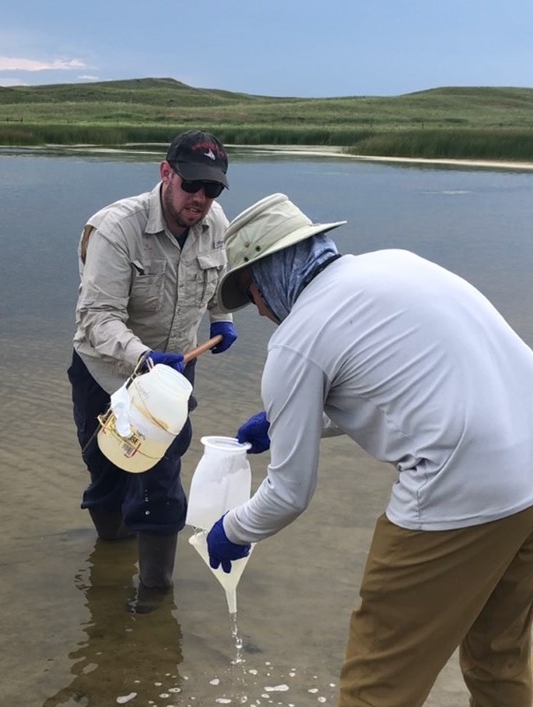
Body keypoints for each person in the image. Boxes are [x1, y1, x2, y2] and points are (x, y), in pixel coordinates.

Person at [206, 192, 533, 707]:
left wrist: (232, 531)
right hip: (528, 477)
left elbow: (290, 493)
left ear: (265, 276)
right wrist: (294, 423)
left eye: (251, 296)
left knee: (378, 681)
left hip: (459, 490)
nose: (260, 312)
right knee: (500, 658)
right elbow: (396, 392)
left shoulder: (297, 339)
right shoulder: (394, 265)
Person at [67, 130, 238, 592]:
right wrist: (143, 358)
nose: (201, 198)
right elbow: (97, 319)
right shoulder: (115, 229)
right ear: (166, 173)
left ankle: (155, 594)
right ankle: (113, 555)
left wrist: (220, 318)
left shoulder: (216, 220)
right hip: (106, 371)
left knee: (161, 477)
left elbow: (220, 273)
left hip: (175, 372)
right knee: (107, 468)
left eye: (213, 189)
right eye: (192, 185)